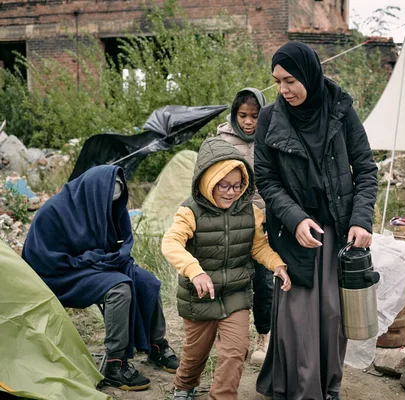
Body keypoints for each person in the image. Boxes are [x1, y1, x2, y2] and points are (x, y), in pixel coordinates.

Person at [254, 42, 379, 400]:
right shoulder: (269, 118)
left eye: (290, 80)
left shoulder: (340, 109)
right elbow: (267, 179)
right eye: (277, 81)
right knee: (296, 322)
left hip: (336, 231)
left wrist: (361, 220)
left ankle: (329, 388)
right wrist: (295, 220)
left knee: (331, 316)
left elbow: (366, 169)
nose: (283, 90)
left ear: (309, 73)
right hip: (293, 231)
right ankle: (295, 390)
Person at [22, 165, 180, 392]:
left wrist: (107, 259)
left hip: (102, 265)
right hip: (62, 274)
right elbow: (42, 259)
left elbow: (123, 245)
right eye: (109, 197)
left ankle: (156, 346)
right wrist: (93, 259)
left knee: (148, 281)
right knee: (120, 288)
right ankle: (115, 364)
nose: (114, 204)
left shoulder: (111, 207)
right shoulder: (54, 212)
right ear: (93, 192)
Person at [161, 136, 291, 400]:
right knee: (195, 354)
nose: (231, 192)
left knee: (236, 351)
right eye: (224, 185)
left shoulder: (250, 212)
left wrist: (277, 264)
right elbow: (171, 242)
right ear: (208, 181)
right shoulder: (190, 211)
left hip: (236, 294)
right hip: (199, 296)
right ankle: (184, 386)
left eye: (238, 185)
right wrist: (194, 270)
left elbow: (257, 248)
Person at [217, 87, 273, 366]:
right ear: (234, 114)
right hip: (234, 221)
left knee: (264, 282)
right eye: (243, 115)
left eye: (254, 115)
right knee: (235, 281)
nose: (249, 121)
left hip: (266, 222)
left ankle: (264, 334)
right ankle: (235, 339)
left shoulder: (271, 137)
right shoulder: (223, 142)